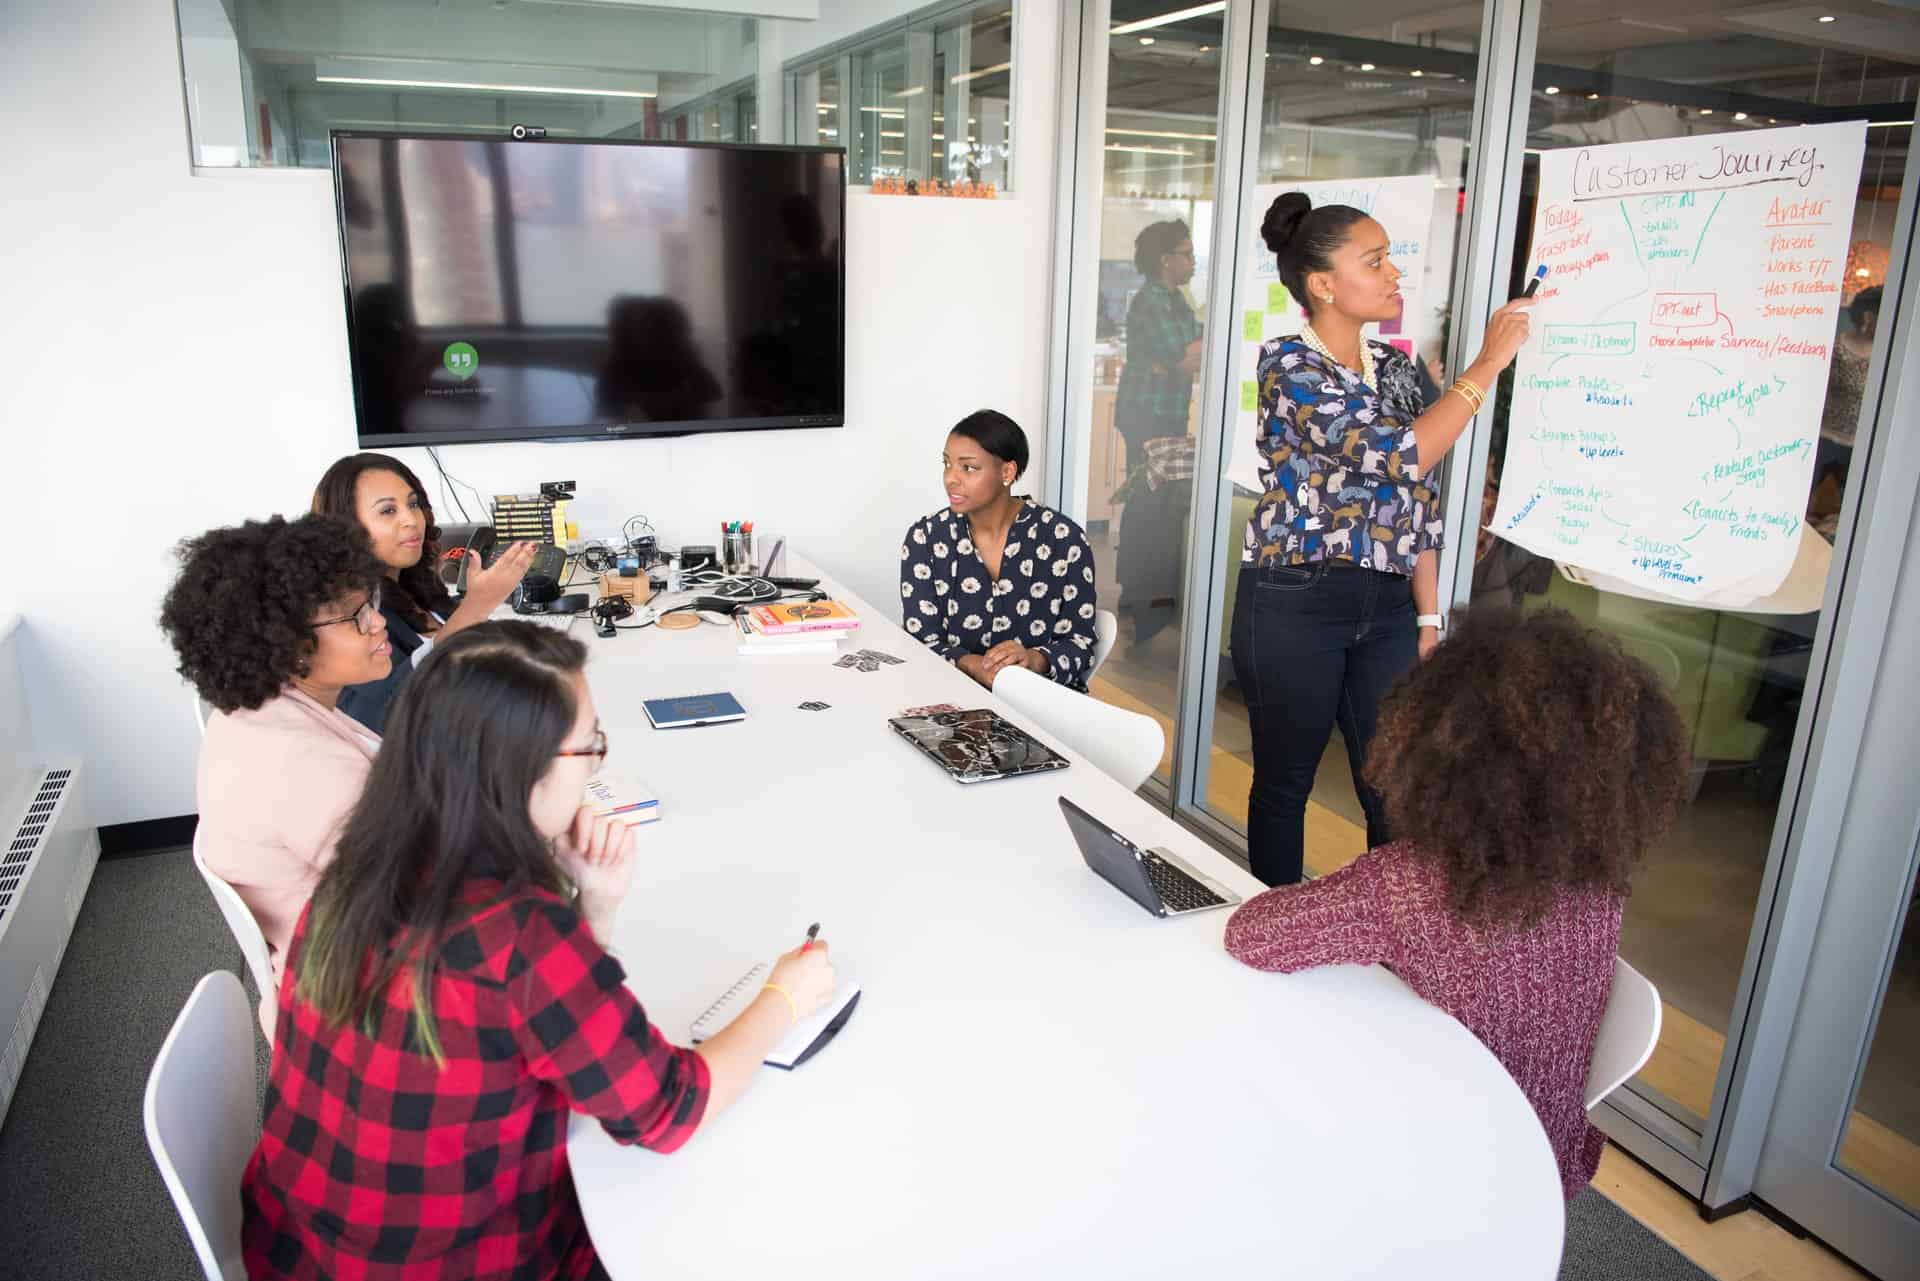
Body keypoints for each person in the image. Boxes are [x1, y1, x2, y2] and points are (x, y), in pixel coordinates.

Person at [243, 622, 837, 1281]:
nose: (596, 768)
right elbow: (670, 1110)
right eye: (591, 748)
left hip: (301, 1249)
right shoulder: (518, 935)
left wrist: (595, 904)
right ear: (528, 774)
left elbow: (527, 1025)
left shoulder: (359, 869)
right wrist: (785, 995)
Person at [1223, 608, 1690, 1200]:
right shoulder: (1597, 885)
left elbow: (1253, 935)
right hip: (1546, 1167)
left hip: (1434, 1174)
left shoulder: (1409, 883)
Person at [1232, 191, 1535, 886]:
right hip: (1295, 598)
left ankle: (1392, 940)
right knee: (1286, 783)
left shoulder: (1396, 369)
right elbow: (1399, 455)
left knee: (1394, 789)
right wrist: (1487, 363)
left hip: (1390, 604)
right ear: (1323, 284)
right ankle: (1274, 928)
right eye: (1375, 261)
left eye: (1391, 258)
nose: (1393, 274)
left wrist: (1427, 616)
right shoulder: (1290, 366)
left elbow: (1417, 499)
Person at [159, 514, 392, 1005]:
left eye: (371, 602)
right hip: (364, 1002)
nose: (377, 622)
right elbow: (427, 901)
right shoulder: (303, 765)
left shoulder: (251, 714)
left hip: (329, 959)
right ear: (287, 644)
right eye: (355, 616)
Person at [312, 452, 535, 733]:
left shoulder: (418, 590)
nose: (411, 519)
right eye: (388, 511)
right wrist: (476, 607)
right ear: (346, 528)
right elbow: (392, 712)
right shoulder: (348, 620)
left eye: (413, 504)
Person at [900, 410, 1100, 691]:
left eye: (968, 468)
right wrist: (973, 665)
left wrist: (1033, 660)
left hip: (1041, 705)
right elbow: (919, 641)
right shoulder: (926, 539)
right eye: (947, 464)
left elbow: (1081, 644)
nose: (950, 479)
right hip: (952, 699)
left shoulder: (1063, 539)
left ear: (1007, 472)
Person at [1115, 220, 1203, 650]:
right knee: (1146, 500)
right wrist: (1193, 349)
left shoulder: (1176, 300)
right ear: (1165, 259)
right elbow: (1186, 358)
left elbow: (1187, 355)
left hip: (1164, 412)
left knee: (1150, 502)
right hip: (1146, 414)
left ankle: (1142, 599)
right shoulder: (1153, 300)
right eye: (1186, 253)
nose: (1192, 261)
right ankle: (1139, 598)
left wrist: (1185, 355)